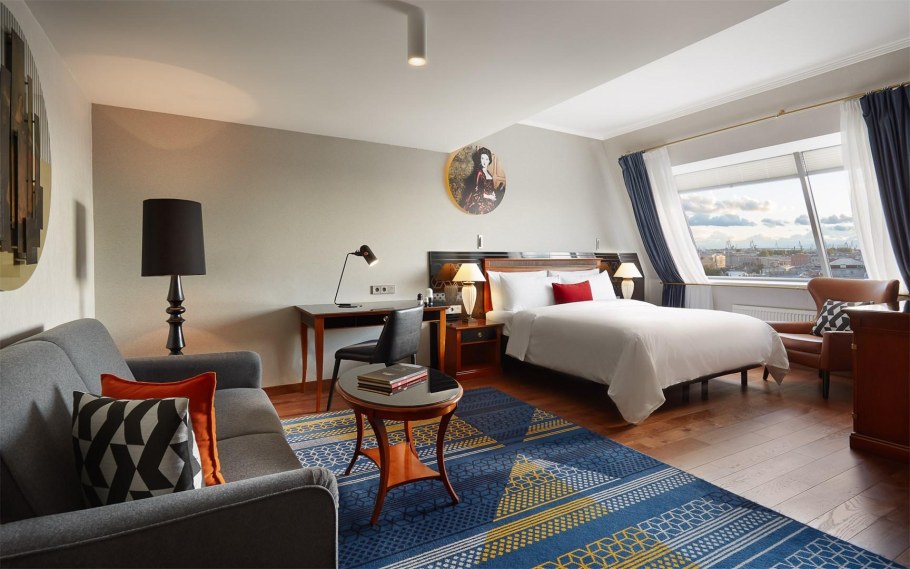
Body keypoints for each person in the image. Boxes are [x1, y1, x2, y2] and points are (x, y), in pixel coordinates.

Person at [460, 147, 504, 214]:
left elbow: (490, 188)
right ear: (480, 159)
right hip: (479, 201)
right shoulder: (479, 173)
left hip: (489, 199)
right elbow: (476, 192)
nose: (484, 161)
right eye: (482, 158)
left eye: (486, 159)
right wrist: (489, 196)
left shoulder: (489, 173)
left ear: (489, 160)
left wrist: (493, 193)